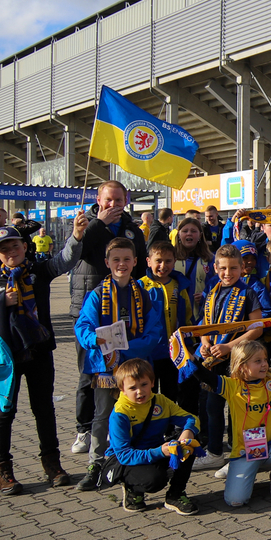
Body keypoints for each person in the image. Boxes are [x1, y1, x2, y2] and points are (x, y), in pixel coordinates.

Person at [0, 215, 87, 494]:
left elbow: (65, 260)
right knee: (4, 412)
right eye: (4, 249)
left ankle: (52, 464)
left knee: (44, 409)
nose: (11, 252)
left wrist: (75, 236)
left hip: (39, 352)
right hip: (7, 358)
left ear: (25, 247)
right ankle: (1, 467)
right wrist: (0, 301)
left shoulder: (38, 272)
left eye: (15, 246)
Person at [74, 237, 165, 490]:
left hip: (135, 367)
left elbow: (154, 332)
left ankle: (135, 460)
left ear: (135, 262)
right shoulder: (96, 295)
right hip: (106, 367)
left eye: (127, 259)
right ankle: (96, 463)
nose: (122, 264)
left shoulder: (145, 295)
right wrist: (97, 339)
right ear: (107, 263)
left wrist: (124, 350)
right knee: (103, 415)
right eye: (116, 259)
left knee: (138, 412)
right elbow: (82, 326)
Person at [68, 182, 148, 458]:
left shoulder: (131, 227)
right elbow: (72, 256)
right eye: (108, 200)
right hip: (92, 304)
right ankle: (84, 430)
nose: (113, 205)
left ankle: (125, 444)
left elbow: (141, 262)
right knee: (88, 377)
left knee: (128, 387)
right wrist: (97, 224)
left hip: (127, 313)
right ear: (98, 199)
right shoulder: (86, 223)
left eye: (118, 200)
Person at [195, 335, 271, 506]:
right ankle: (242, 470)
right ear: (242, 367)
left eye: (265, 359)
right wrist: (185, 355)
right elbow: (204, 375)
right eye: (257, 361)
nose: (264, 364)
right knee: (235, 501)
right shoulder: (232, 386)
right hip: (246, 451)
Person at [193, 244, 267, 472]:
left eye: (233, 268)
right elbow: (205, 324)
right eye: (223, 268)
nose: (228, 273)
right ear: (215, 267)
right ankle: (215, 453)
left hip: (238, 361)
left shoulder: (248, 292)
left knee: (240, 409)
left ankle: (241, 453)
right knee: (213, 408)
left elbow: (257, 329)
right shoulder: (212, 290)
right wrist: (205, 342)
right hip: (214, 361)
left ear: (242, 268)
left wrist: (228, 346)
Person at [104, 359, 200, 515]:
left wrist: (188, 430)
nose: (140, 392)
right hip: (127, 459)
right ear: (122, 389)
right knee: (154, 481)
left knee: (191, 443)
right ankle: (132, 488)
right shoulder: (120, 414)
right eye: (132, 388)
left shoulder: (160, 401)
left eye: (144, 384)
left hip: (154, 450)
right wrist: (160, 452)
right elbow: (123, 455)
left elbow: (191, 418)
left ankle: (175, 494)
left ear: (152, 382)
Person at [140, 240, 193, 400]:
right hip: (149, 352)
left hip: (173, 351)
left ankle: (169, 425)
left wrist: (188, 343)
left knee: (171, 393)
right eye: (158, 261)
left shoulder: (179, 286)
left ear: (174, 262)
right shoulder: (141, 286)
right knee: (150, 393)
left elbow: (187, 317)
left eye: (168, 261)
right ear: (149, 261)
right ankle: (154, 425)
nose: (163, 265)